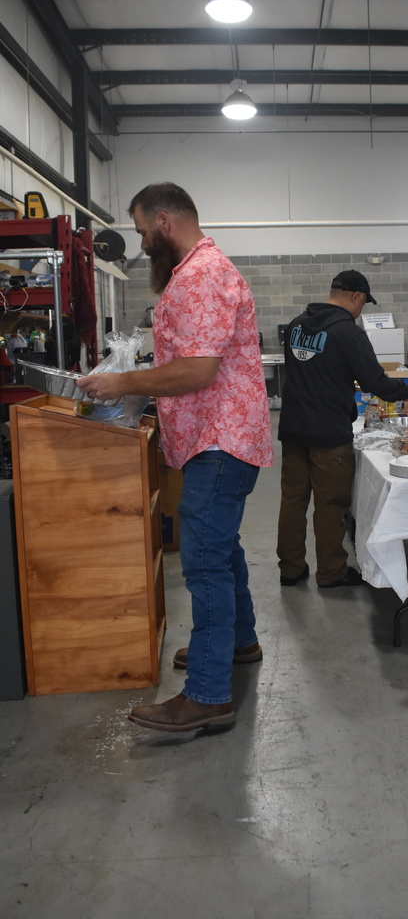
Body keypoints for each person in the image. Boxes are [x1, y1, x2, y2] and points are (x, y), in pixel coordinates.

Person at [77, 182, 273, 734]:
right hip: (217, 440)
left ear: (164, 221)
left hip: (220, 441)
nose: (140, 243)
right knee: (222, 547)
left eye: (141, 231)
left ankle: (208, 695)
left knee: (206, 561)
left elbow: (197, 369)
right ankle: (240, 643)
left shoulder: (202, 276)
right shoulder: (196, 272)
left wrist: (122, 384)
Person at [277, 269, 408, 589]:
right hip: (329, 434)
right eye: (364, 303)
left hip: (294, 430)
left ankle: (291, 568)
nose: (361, 310)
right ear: (355, 296)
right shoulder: (347, 332)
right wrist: (405, 391)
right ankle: (330, 571)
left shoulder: (297, 325)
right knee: (331, 505)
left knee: (293, 501)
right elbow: (373, 382)